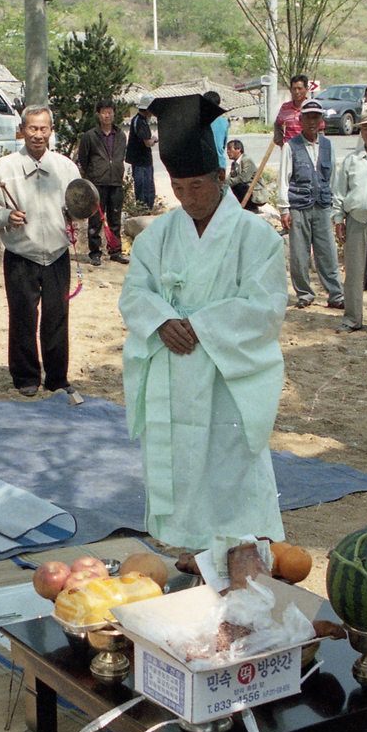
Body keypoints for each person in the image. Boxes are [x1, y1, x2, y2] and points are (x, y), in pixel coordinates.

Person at [121, 93, 287, 551]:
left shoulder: (256, 237)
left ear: (220, 177)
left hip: (224, 373)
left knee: (228, 465)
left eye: (198, 185)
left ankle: (238, 547)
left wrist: (202, 325)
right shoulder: (156, 237)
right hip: (171, 372)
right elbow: (134, 292)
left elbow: (266, 306)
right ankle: (179, 541)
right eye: (179, 187)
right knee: (174, 458)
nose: (188, 198)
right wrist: (159, 321)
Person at [0, 104, 80, 398]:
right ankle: (25, 376)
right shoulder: (4, 168)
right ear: (21, 130)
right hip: (21, 256)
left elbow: (80, 202)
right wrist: (5, 216)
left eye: (44, 128)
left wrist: (77, 212)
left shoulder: (66, 167)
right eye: (32, 128)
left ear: (51, 131)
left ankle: (57, 378)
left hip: (57, 255)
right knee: (23, 316)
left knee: (57, 316)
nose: (38, 135)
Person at [281, 98, 344, 309]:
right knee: (299, 254)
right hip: (298, 206)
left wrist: (336, 208)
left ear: (321, 120)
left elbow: (333, 177)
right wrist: (284, 208)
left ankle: (335, 294)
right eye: (308, 117)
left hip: (323, 205)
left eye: (316, 117)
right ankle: (305, 294)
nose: (312, 121)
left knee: (327, 252)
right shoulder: (291, 146)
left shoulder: (327, 145)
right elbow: (284, 178)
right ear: (300, 120)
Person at [333, 114, 367, 333]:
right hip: (355, 220)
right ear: (361, 132)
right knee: (353, 274)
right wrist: (338, 219)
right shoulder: (352, 160)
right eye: (366, 129)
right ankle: (352, 319)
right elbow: (339, 192)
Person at [73, 98, 128, 264]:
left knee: (115, 219)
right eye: (104, 112)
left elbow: (121, 156)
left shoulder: (120, 135)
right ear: (98, 114)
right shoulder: (90, 136)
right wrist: (92, 173)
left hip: (116, 182)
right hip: (97, 183)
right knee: (96, 220)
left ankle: (115, 251)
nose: (107, 115)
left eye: (110, 112)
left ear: (114, 114)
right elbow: (83, 158)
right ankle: (95, 252)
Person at [127, 93, 158, 208]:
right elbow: (147, 143)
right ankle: (144, 211)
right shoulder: (140, 122)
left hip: (143, 162)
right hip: (141, 162)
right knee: (144, 190)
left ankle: (146, 209)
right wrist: (154, 140)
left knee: (147, 189)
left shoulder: (140, 120)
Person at [274, 73, 313, 145]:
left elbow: (320, 130)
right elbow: (278, 124)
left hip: (306, 147)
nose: (297, 92)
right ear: (290, 90)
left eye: (300, 89)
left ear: (306, 89)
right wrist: (280, 141)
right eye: (294, 89)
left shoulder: (312, 107)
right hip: (290, 148)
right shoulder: (285, 107)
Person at [226, 138, 261, 210]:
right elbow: (231, 177)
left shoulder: (247, 160)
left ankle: (251, 207)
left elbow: (244, 178)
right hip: (245, 189)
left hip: (255, 192)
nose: (228, 152)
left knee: (240, 186)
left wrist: (227, 182)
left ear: (238, 149)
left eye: (230, 149)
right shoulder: (234, 164)